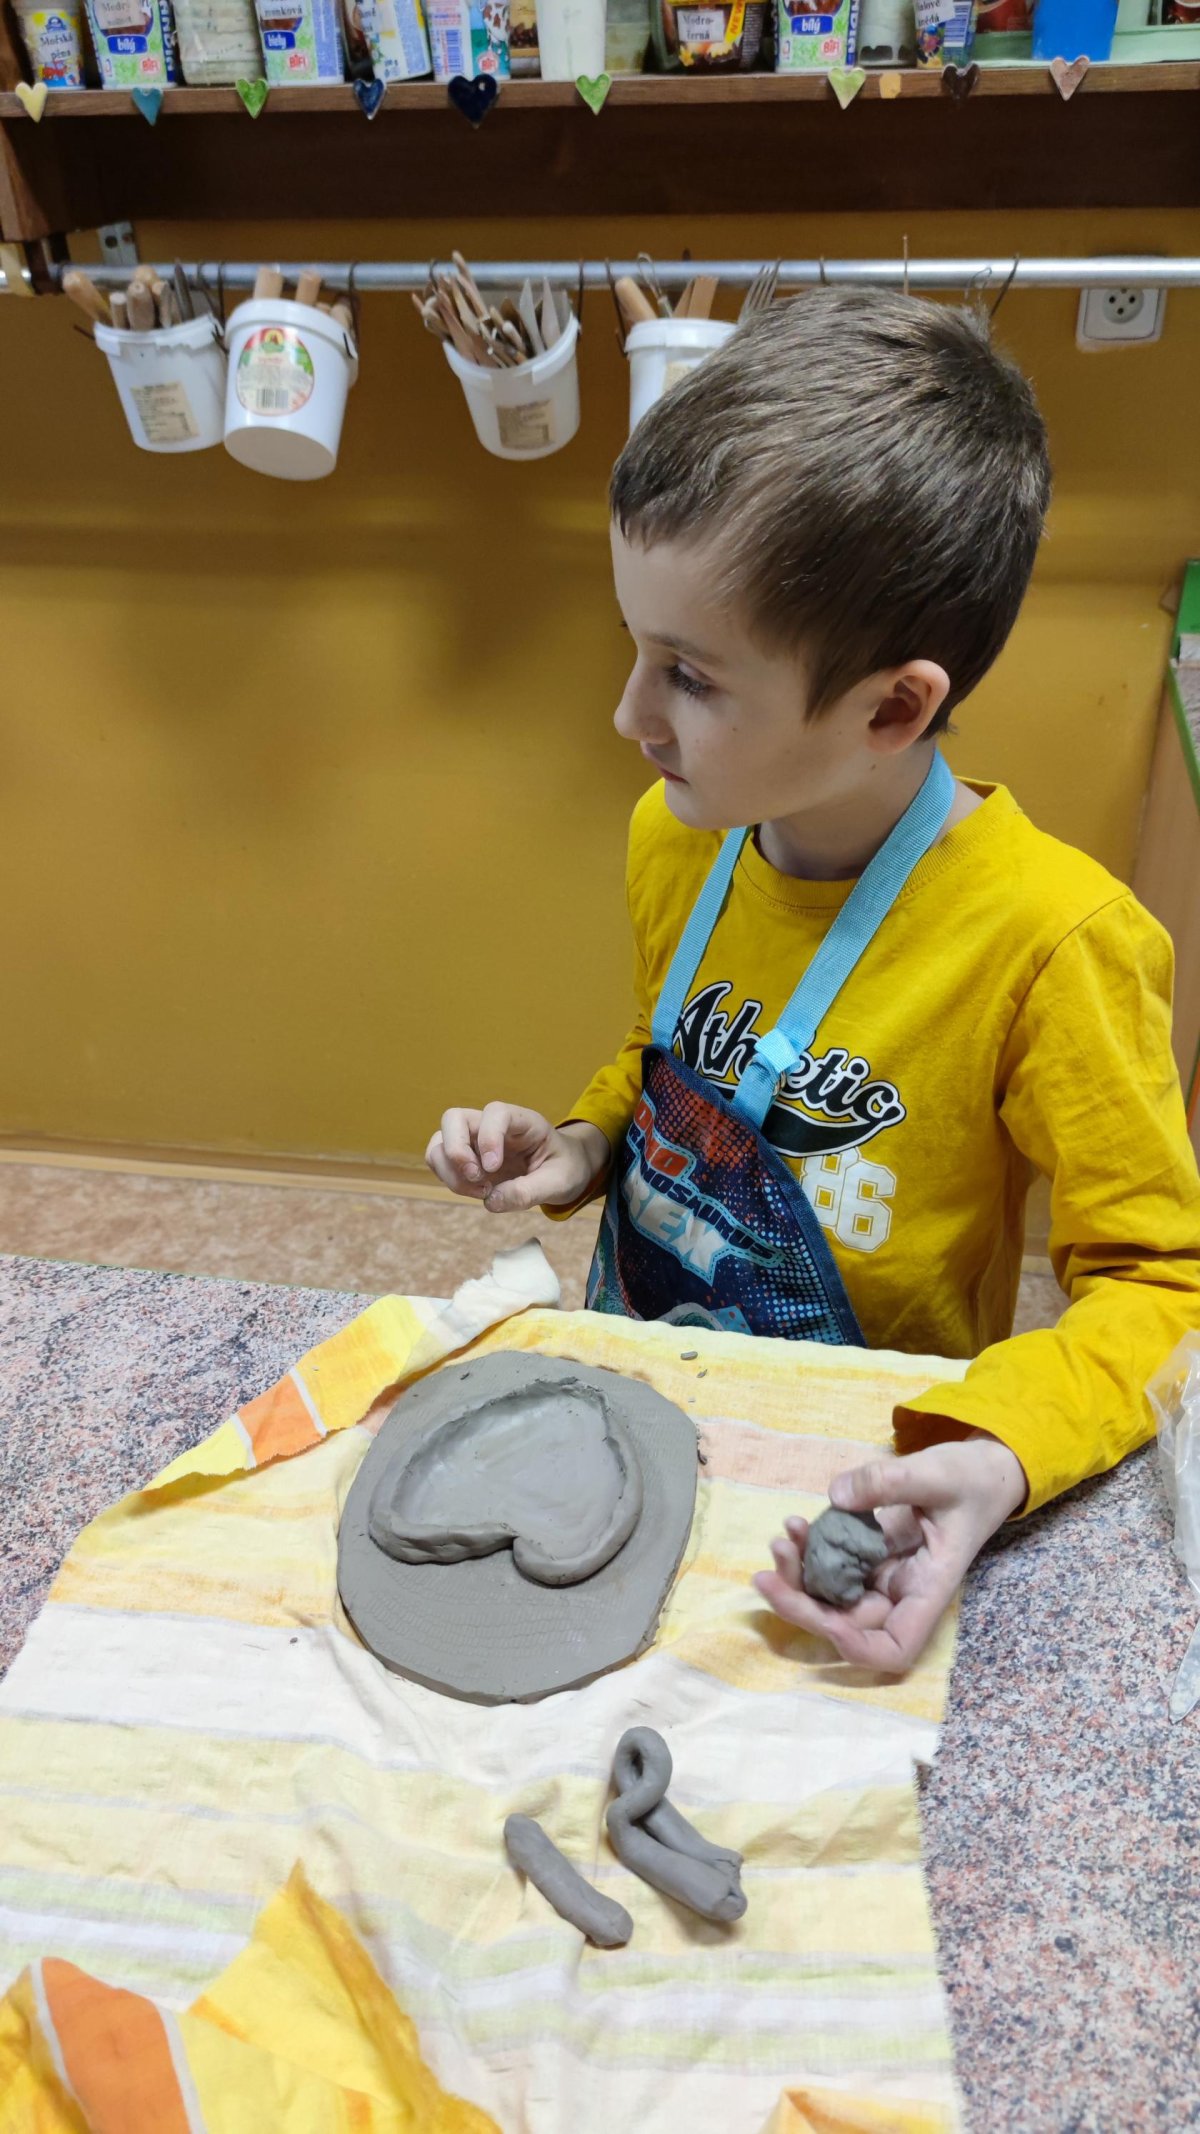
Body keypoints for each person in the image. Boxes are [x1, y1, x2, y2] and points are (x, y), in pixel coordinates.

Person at [426, 288, 1200, 1671]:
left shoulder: (1057, 945)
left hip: (850, 1473)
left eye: (689, 676)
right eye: (634, 646)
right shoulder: (678, 832)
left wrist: (997, 1452)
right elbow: (677, 1047)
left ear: (893, 706)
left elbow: (1163, 1288)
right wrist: (588, 1139)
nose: (628, 714)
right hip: (640, 1401)